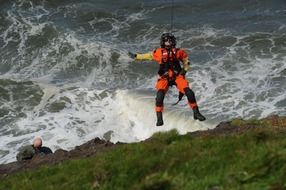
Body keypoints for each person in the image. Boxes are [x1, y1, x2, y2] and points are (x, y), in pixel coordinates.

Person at [129, 33, 206, 126]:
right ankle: (159, 118)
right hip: (164, 78)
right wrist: (135, 56)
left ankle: (196, 112)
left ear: (173, 41)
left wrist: (184, 71)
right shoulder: (158, 52)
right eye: (166, 40)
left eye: (170, 40)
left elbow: (186, 61)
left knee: (189, 93)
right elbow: (147, 56)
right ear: (163, 42)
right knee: (159, 96)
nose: (168, 42)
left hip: (177, 76)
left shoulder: (179, 52)